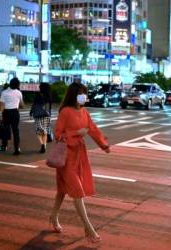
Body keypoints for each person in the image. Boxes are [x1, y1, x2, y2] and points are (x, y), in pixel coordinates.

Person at [50, 82, 110, 243]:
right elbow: (57, 134)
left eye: (85, 93)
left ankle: (53, 217)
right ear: (74, 95)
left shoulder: (84, 112)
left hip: (79, 155)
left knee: (62, 191)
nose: (84, 97)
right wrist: (76, 133)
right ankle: (88, 228)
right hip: (66, 156)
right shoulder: (65, 111)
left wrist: (104, 145)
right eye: (81, 94)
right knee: (77, 192)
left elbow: (93, 129)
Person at [0, 77, 24, 155]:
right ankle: (17, 148)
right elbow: (22, 105)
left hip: (6, 113)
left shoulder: (4, 92)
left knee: (5, 129)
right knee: (15, 131)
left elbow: (2, 105)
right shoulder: (19, 93)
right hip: (15, 112)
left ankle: (4, 145)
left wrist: (1, 116)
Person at [30, 82, 52, 153]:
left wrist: (31, 112)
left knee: (38, 131)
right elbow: (49, 107)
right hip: (46, 115)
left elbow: (34, 104)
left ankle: (42, 144)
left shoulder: (37, 95)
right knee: (44, 130)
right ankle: (44, 146)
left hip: (38, 115)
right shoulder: (49, 96)